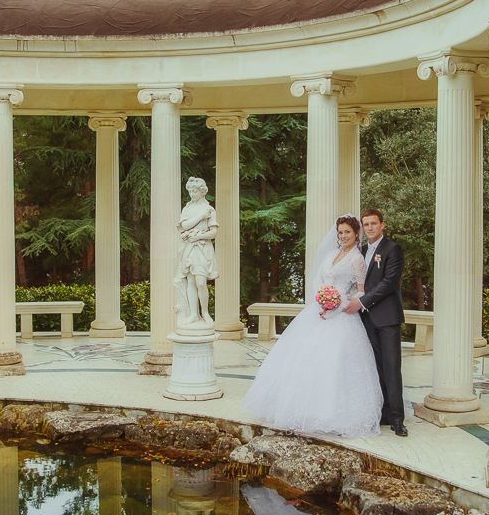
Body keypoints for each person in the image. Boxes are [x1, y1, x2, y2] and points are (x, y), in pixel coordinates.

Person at [242, 214, 383, 438]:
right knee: (303, 358)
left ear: (357, 233)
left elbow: (362, 291)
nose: (343, 236)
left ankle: (331, 415)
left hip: (343, 314)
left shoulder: (358, 259)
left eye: (348, 232)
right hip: (318, 311)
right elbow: (318, 279)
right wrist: (322, 299)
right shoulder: (330, 254)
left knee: (333, 363)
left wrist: (337, 302)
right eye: (340, 232)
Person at [343, 209, 407, 436]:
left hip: (387, 317)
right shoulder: (361, 250)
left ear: (382, 225)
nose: (369, 228)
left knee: (391, 367)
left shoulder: (392, 249)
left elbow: (389, 282)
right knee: (374, 367)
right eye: (366, 224)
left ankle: (398, 419)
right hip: (366, 319)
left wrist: (362, 302)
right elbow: (357, 282)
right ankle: (383, 412)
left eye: (373, 224)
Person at [174, 176, 219, 327]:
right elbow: (185, 226)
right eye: (190, 191)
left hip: (202, 248)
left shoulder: (209, 210)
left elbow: (213, 233)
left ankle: (205, 312)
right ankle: (194, 313)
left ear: (202, 192)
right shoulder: (188, 208)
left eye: (194, 191)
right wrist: (200, 217)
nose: (192, 194)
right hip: (189, 248)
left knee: (201, 282)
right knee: (191, 281)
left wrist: (198, 236)